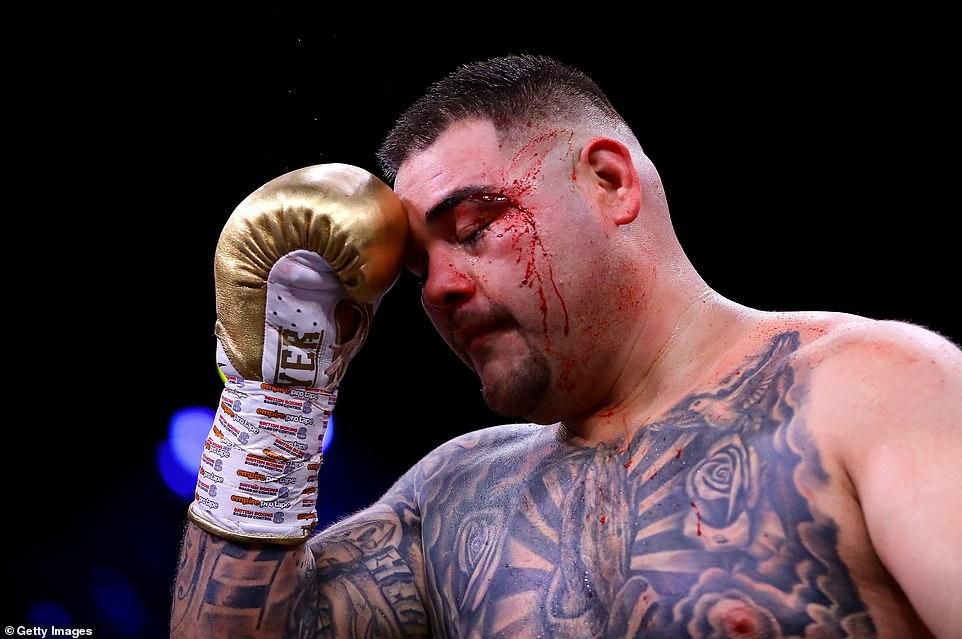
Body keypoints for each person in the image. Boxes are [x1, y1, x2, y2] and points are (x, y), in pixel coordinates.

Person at [170, 55, 961, 638]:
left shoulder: (870, 390)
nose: (439, 288)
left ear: (610, 182)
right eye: (417, 271)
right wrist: (277, 388)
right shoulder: (452, 499)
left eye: (473, 229)